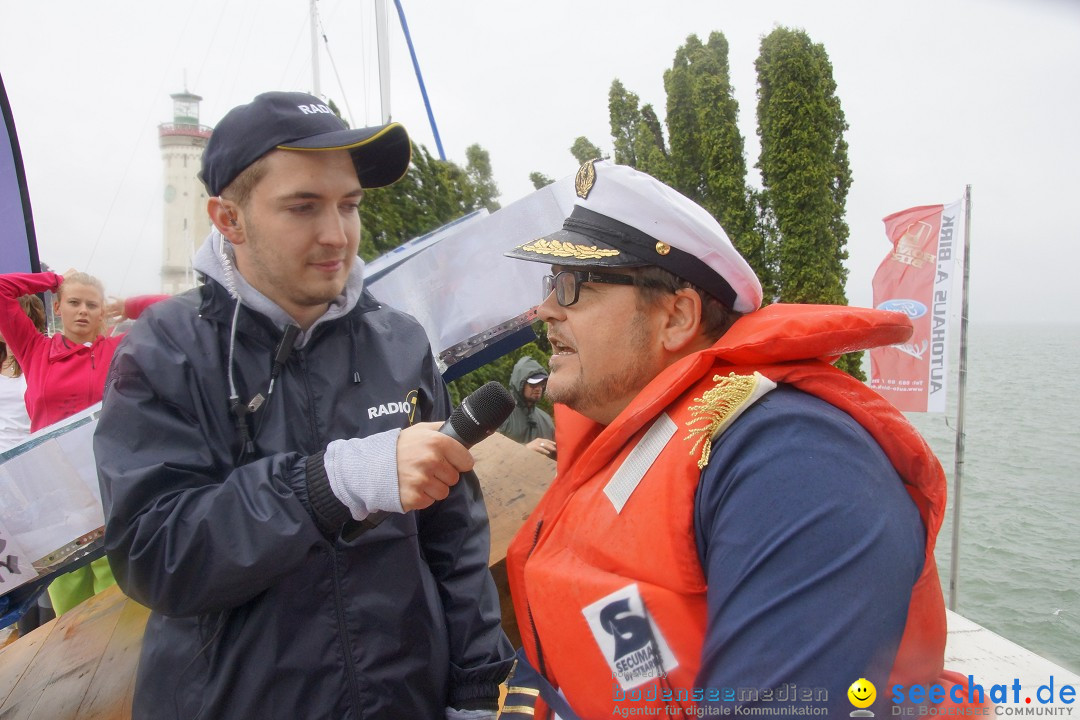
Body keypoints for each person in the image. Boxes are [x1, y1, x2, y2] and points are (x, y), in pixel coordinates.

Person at [500, 161, 979, 719]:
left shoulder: (794, 464)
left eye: (572, 287)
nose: (544, 310)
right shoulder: (626, 433)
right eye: (549, 284)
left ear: (677, 317)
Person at [94, 91, 514, 720]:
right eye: (302, 207)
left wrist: (476, 692)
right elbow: (156, 555)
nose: (335, 234)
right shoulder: (164, 351)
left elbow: (452, 535)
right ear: (228, 219)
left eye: (349, 205)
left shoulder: (399, 341)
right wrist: (327, 484)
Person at [0, 269, 163, 616]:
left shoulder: (119, 349)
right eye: (74, 302)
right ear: (58, 307)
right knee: (66, 603)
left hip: (107, 486)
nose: (83, 310)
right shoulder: (33, 350)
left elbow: (178, 312)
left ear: (103, 312)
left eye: (92, 304)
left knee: (118, 595)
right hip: (50, 496)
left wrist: (131, 305)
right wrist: (53, 278)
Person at [499, 355, 556, 457]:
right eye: (533, 384)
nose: (538, 388)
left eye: (542, 384)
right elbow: (489, 454)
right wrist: (524, 449)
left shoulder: (546, 420)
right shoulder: (500, 415)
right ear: (520, 384)